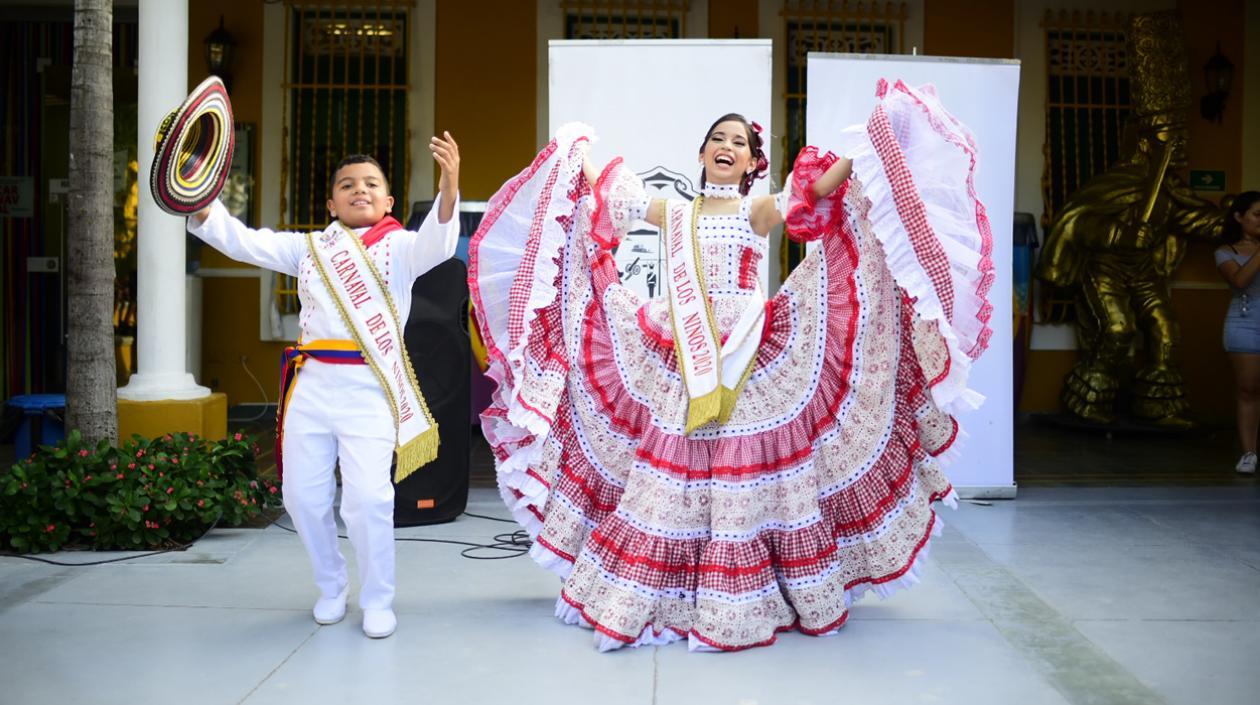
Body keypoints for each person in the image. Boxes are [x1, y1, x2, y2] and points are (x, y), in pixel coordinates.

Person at [470, 80, 992, 651]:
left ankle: (747, 591)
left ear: (751, 163)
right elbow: (610, 191)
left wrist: (868, 147)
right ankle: (662, 589)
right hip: (681, 350)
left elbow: (818, 190)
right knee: (677, 463)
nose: (727, 146)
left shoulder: (755, 210)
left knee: (743, 465)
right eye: (718, 138)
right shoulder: (674, 211)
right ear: (701, 154)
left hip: (746, 350)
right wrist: (575, 146)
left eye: (739, 142)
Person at [187, 134, 461, 638]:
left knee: (368, 501)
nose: (360, 190)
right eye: (347, 184)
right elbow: (242, 241)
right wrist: (199, 198)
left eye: (371, 183)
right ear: (331, 203)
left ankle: (377, 598)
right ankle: (332, 585)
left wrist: (449, 186)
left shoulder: (403, 248)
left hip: (369, 389)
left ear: (388, 201)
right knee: (302, 498)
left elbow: (439, 242)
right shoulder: (309, 248)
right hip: (311, 387)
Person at [1214, 191, 1260, 474]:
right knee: (1248, 389)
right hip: (1244, 323)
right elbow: (1240, 280)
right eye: (1257, 214)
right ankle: (1249, 454)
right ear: (1239, 217)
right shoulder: (1225, 251)